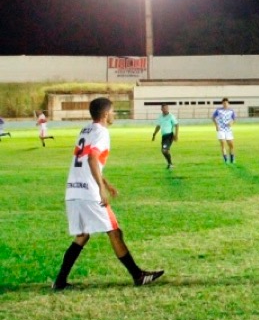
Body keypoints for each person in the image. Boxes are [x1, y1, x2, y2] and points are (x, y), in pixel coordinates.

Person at [51, 97, 164, 290]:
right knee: (114, 231)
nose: (114, 114)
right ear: (105, 114)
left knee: (82, 235)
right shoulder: (102, 133)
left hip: (73, 189)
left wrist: (106, 182)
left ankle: (60, 281)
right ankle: (138, 276)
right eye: (112, 111)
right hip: (89, 192)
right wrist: (101, 188)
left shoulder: (86, 130)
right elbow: (92, 159)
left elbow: (87, 160)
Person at [151, 104, 179, 169]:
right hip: (164, 136)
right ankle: (170, 164)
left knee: (164, 150)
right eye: (164, 108)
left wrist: (176, 135)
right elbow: (158, 126)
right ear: (161, 109)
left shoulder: (171, 116)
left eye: (166, 108)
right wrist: (154, 134)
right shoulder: (160, 117)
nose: (165, 109)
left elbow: (177, 125)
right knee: (165, 150)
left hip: (169, 135)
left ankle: (170, 164)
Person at [212, 98, 237, 163]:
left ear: (228, 103)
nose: (225, 104)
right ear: (222, 103)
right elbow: (213, 117)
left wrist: (231, 123)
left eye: (226, 103)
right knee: (223, 143)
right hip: (221, 129)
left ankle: (232, 158)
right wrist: (216, 125)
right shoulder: (218, 110)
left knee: (231, 145)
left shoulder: (231, 111)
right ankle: (225, 160)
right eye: (224, 103)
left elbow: (234, 119)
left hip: (228, 130)